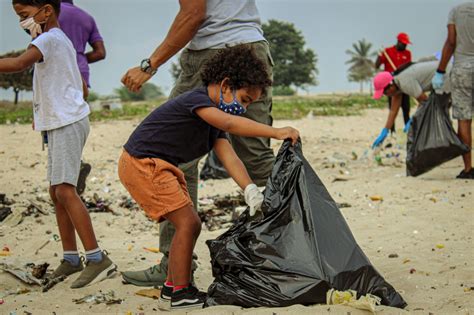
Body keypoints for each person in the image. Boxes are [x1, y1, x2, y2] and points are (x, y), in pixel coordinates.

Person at [118, 45, 300, 310]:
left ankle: (171, 288)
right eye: (245, 99)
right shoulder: (198, 101)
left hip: (160, 166)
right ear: (226, 86)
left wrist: (250, 189)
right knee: (189, 224)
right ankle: (181, 292)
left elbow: (230, 157)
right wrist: (275, 132)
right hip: (143, 164)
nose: (245, 107)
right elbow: (229, 125)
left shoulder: (214, 120)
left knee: (189, 223)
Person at [121, 0, 276, 287]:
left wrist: (149, 65)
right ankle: (308, 242)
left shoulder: (209, 90)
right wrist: (251, 185)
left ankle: (173, 266)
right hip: (251, 45)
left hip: (212, 52)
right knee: (260, 161)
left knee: (174, 160)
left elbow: (193, 13)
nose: (242, 108)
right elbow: (227, 144)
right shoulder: (204, 104)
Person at [2, 0, 116, 288]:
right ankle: (71, 258)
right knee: (56, 192)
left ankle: (96, 257)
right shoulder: (56, 39)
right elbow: (68, 81)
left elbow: (18, 64)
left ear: (46, 10)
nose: (22, 23)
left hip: (67, 122)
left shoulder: (50, 38)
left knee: (65, 190)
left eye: (24, 15)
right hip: (58, 121)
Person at [59, 0, 106, 195]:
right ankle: (75, 164)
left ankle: (67, 174)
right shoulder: (86, 17)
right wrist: (79, 57)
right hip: (81, 74)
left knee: (58, 127)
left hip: (58, 73)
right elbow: (100, 53)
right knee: (74, 124)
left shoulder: (47, 13)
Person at [432, 2, 474, 179]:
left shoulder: (456, 11)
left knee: (464, 120)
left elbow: (451, 42)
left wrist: (440, 71)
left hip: (462, 70)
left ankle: (468, 169)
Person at [372, 60, 451, 148]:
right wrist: (385, 131)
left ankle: (447, 143)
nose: (385, 95)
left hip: (446, 75)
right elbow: (393, 111)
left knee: (438, 112)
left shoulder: (405, 82)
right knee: (436, 112)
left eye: (385, 93)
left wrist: (412, 120)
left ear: (390, 86)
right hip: (443, 74)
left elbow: (425, 101)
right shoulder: (396, 83)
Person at [375, 32, 413, 133]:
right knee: (393, 109)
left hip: (404, 84)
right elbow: (377, 65)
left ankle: (408, 130)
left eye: (406, 44)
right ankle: (392, 131)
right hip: (390, 86)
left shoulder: (407, 53)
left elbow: (409, 68)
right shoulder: (387, 52)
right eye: (403, 43)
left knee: (406, 108)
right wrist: (379, 56)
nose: (405, 45)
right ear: (398, 42)